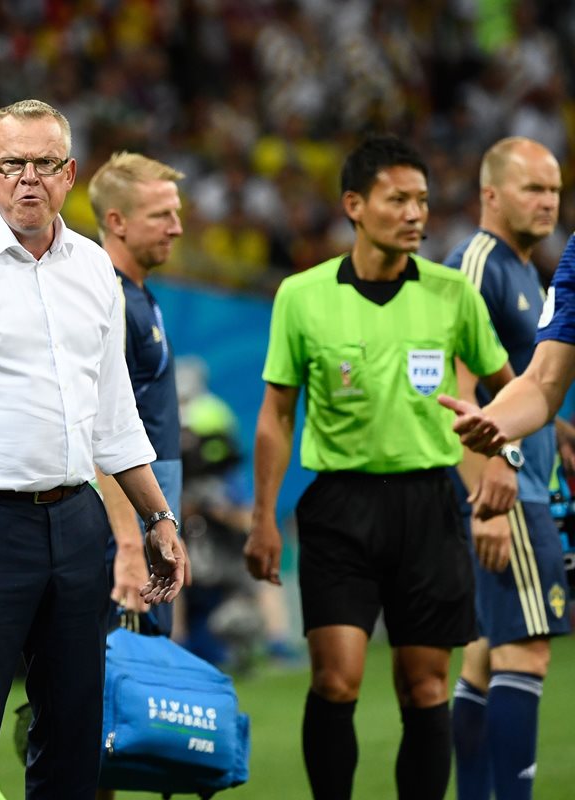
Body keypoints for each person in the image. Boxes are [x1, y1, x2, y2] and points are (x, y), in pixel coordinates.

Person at [0, 99, 190, 798]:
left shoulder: (92, 272)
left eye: (46, 164)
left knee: (76, 741)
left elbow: (113, 419)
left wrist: (159, 519)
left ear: (71, 173)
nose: (31, 179)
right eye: (15, 164)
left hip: (77, 526)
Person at [243, 134, 513, 800]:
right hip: (340, 506)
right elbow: (276, 413)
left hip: (429, 504)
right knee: (336, 679)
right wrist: (263, 520)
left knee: (424, 687)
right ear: (355, 206)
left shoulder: (452, 294)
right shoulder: (302, 296)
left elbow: (510, 392)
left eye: (423, 200)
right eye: (399, 200)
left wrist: (507, 459)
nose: (417, 213)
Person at [440, 137, 570, 800]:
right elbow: (454, 378)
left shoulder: (529, 270)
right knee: (527, 651)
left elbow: (520, 382)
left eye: (553, 191)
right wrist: (483, 494)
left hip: (524, 478)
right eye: (532, 190)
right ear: (491, 194)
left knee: (490, 656)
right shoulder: (481, 260)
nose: (548, 202)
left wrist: (559, 429)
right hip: (505, 487)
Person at [86, 151, 185, 635]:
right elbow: (102, 429)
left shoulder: (139, 293)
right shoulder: (109, 297)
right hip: (122, 531)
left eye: (177, 212)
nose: (177, 227)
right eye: (162, 215)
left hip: (151, 521)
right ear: (116, 221)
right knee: (117, 682)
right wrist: (129, 543)